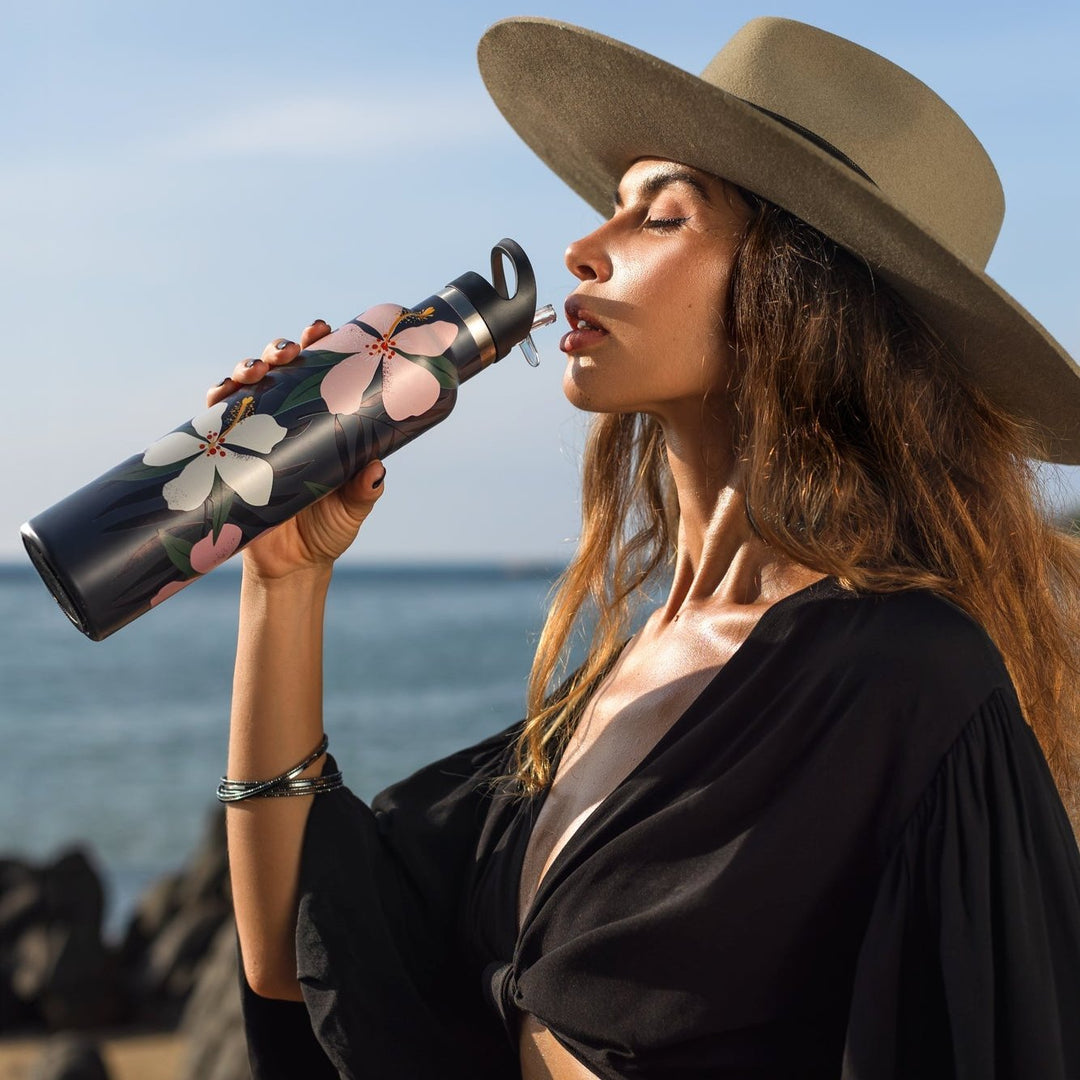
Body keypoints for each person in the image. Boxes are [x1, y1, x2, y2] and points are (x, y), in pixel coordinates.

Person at [217, 17, 1080, 1080]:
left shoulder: (910, 685)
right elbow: (299, 960)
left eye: (661, 215)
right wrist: (286, 577)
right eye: (612, 204)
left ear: (801, 292)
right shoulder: (620, 681)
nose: (583, 246)